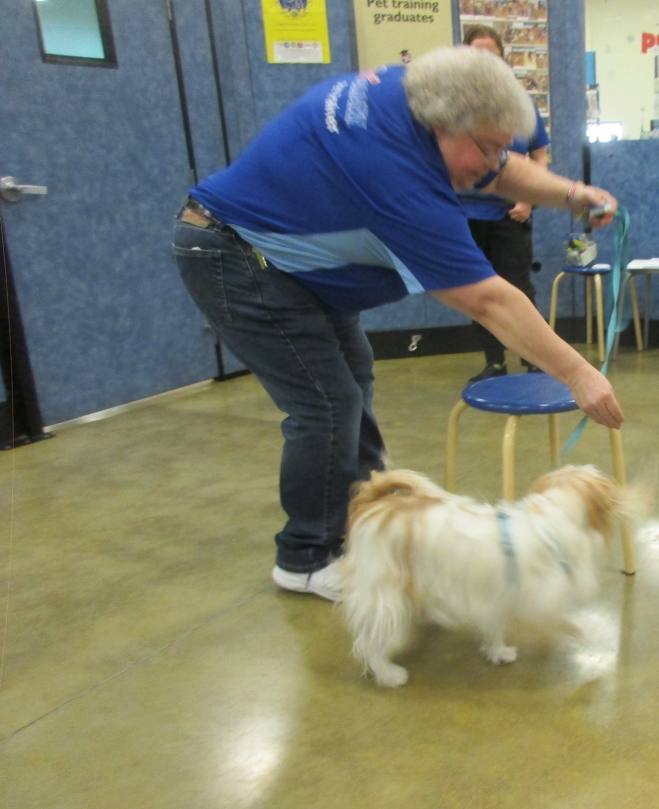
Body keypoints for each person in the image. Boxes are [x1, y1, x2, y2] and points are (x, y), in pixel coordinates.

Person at [172, 47, 622, 601]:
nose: (494, 161)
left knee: (353, 380)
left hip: (287, 263)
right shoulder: (395, 173)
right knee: (327, 404)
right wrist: (578, 374)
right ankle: (305, 558)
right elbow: (490, 302)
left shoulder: (417, 94)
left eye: (502, 147)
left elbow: (499, 168)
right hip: (237, 255)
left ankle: (364, 527)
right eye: (487, 147)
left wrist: (571, 195)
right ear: (443, 126)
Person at [458, 24, 548, 384]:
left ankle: (535, 359)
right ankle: (494, 362)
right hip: (465, 214)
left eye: (491, 55)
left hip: (510, 213)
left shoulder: (520, 103)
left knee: (518, 289)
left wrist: (528, 199)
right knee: (475, 291)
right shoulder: (453, 106)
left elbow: (539, 157)